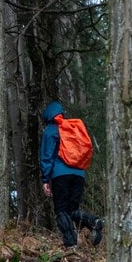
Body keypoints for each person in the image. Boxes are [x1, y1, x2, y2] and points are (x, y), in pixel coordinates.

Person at [40, 100, 101, 249]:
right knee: (72, 210)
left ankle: (70, 244)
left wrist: (45, 180)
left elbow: (47, 157)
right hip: (79, 174)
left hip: (60, 175)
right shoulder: (73, 127)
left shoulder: (51, 130)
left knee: (61, 210)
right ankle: (93, 221)